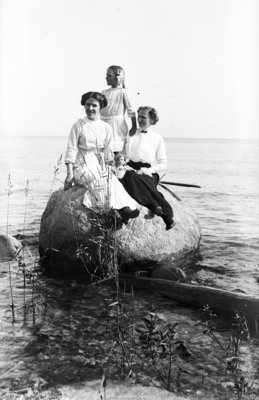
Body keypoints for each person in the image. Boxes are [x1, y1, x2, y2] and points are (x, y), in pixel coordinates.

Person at [64, 91, 139, 224]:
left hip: (98, 164)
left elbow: (108, 153)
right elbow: (70, 149)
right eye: (87, 105)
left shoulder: (106, 127)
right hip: (81, 165)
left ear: (101, 107)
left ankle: (125, 209)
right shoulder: (78, 125)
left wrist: (114, 167)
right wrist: (69, 174)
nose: (90, 108)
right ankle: (117, 209)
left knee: (111, 180)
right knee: (97, 178)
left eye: (94, 105)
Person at [121, 106, 175, 230]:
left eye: (143, 117)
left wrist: (148, 171)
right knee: (131, 176)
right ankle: (158, 210)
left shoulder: (157, 138)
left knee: (137, 180)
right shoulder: (131, 133)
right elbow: (123, 154)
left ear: (152, 119)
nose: (139, 119)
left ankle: (156, 208)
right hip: (130, 169)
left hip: (147, 172)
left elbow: (163, 164)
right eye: (138, 116)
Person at [100, 65, 137, 153]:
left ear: (117, 77)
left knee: (117, 151)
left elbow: (131, 110)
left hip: (117, 125)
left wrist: (134, 126)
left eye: (109, 76)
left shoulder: (123, 92)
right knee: (103, 151)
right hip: (103, 124)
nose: (106, 78)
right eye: (106, 75)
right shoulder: (104, 92)